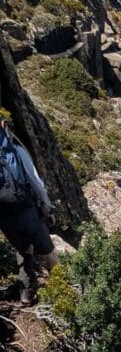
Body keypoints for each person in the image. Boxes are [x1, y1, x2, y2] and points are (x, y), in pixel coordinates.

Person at [0, 120, 58, 304]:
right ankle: (61, 288)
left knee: (23, 248)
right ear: (3, 126)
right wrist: (47, 208)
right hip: (26, 208)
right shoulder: (15, 151)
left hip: (4, 216)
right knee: (47, 250)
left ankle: (27, 291)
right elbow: (35, 181)